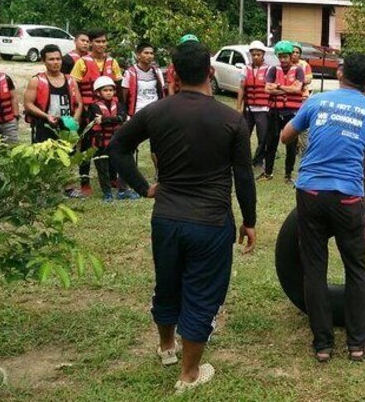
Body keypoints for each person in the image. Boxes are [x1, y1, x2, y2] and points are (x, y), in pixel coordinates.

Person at [108, 41, 256, 394]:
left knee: (168, 282)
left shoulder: (156, 112)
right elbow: (244, 177)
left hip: (167, 219)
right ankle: (189, 374)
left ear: (172, 73)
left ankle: (166, 348)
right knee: (202, 293)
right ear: (210, 72)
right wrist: (249, 220)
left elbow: (117, 147)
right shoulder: (232, 120)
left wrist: (145, 187)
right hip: (211, 222)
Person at [279, 53, 365, 362]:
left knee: (313, 268)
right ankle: (358, 344)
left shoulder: (315, 102)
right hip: (348, 198)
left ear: (340, 73)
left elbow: (286, 136)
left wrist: (304, 136)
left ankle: (322, 345)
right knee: (356, 269)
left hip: (309, 192)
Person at [22, 44, 84, 198]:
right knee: (44, 156)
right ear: (44, 61)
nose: (55, 62)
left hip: (66, 124)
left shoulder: (70, 80)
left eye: (58, 59)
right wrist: (46, 116)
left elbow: (79, 103)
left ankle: (68, 188)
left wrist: (75, 119)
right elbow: (28, 104)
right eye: (51, 59)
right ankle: (45, 189)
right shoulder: (37, 80)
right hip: (44, 124)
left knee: (67, 156)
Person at [71, 30, 122, 197]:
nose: (101, 45)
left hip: (108, 111)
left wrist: (119, 107)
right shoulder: (82, 62)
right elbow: (74, 86)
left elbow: (118, 87)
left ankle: (113, 178)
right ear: (91, 43)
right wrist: (80, 107)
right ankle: (85, 182)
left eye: (104, 41)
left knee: (112, 142)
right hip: (88, 111)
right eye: (98, 41)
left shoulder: (112, 62)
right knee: (86, 146)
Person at [86, 77, 139, 202]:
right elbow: (99, 120)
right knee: (102, 169)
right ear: (98, 92)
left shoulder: (119, 104)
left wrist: (105, 119)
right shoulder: (94, 107)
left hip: (117, 141)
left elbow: (122, 117)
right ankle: (107, 193)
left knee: (123, 165)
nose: (109, 92)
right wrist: (116, 118)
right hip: (101, 142)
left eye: (111, 90)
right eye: (105, 90)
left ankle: (123, 191)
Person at [259, 40, 304, 183]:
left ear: (291, 56)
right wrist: (287, 89)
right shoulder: (273, 70)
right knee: (271, 142)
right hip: (275, 111)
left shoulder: (298, 70)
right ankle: (268, 173)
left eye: (285, 56)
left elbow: (297, 89)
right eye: (281, 56)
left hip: (291, 112)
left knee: (291, 145)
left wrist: (278, 87)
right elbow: (267, 89)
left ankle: (288, 175)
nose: (283, 60)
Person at [236, 40, 272, 168]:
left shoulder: (269, 69)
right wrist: (238, 107)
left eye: (258, 54)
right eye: (253, 54)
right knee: (244, 135)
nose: (256, 57)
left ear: (263, 55)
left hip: (263, 109)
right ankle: (243, 159)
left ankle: (258, 160)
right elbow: (241, 88)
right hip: (249, 108)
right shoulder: (246, 69)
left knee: (262, 137)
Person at [122, 41, 166, 117]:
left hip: (155, 112)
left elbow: (161, 92)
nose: (149, 56)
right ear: (138, 55)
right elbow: (124, 97)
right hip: (137, 113)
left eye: (151, 53)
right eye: (146, 53)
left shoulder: (157, 72)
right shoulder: (129, 73)